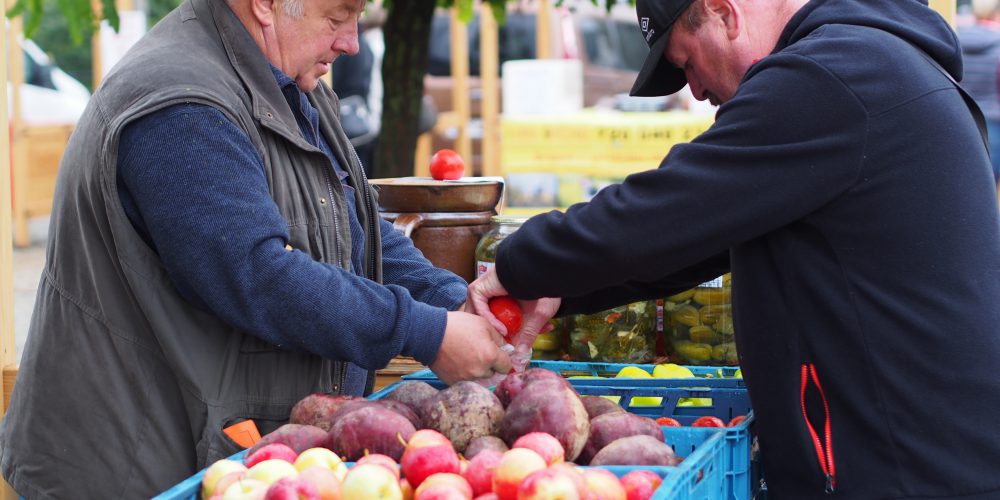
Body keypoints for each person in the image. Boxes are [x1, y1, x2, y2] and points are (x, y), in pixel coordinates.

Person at [470, 0, 1000, 498]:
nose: (696, 91)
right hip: (921, 460)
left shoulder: (833, 77)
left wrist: (518, 264)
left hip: (908, 475)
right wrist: (554, 289)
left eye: (688, 63)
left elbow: (666, 210)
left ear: (724, 13)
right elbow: (692, 240)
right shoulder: (865, 66)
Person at [0, 0, 513, 497]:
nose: (352, 42)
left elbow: (357, 232)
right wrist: (424, 330)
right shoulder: (181, 103)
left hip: (232, 456)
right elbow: (257, 274)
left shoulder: (290, 83)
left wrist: (451, 300)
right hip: (137, 467)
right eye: (338, 16)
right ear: (266, 5)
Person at [957, 0, 1000, 184]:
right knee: (990, 182)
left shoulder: (956, 38)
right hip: (993, 119)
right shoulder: (998, 44)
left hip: (961, 115)